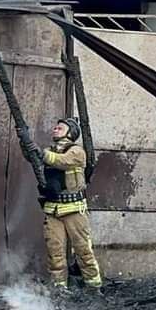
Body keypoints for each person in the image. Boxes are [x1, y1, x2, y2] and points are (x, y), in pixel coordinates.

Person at [36, 117, 102, 290]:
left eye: (61, 127)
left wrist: (42, 154)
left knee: (83, 251)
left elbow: (62, 161)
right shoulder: (49, 151)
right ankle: (60, 289)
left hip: (74, 210)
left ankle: (94, 288)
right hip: (52, 210)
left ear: (70, 133)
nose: (56, 129)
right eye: (56, 127)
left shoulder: (76, 152)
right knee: (55, 253)